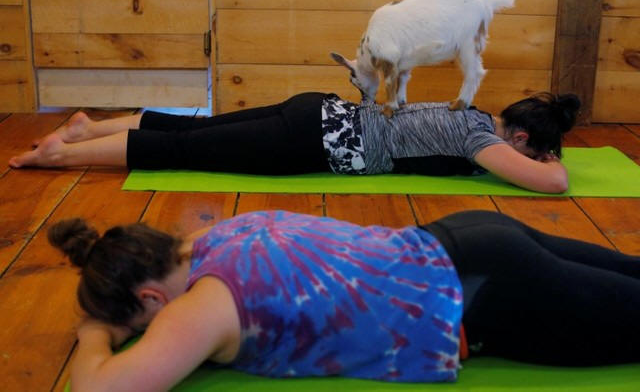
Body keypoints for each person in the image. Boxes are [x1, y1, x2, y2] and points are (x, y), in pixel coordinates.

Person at [52, 210, 639, 391]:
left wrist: (95, 333)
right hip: (467, 235)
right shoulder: (219, 233)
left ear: (151, 296)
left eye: (142, 324)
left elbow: (101, 389)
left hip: (488, 294)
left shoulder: (198, 309)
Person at [10, 92, 580, 193]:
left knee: (195, 130)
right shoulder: (480, 137)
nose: (531, 160)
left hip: (317, 109)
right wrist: (549, 163)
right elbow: (552, 183)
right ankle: (65, 154)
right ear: (520, 137)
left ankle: (90, 128)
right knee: (184, 150)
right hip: (313, 140)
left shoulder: (473, 112)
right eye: (533, 150)